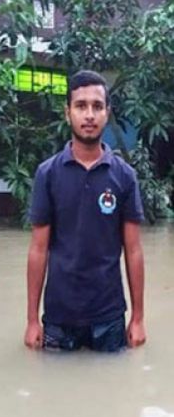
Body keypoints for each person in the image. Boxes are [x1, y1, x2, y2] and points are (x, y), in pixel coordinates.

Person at [24, 70, 146, 352]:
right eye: (81, 106)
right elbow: (38, 249)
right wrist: (32, 320)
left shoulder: (125, 177)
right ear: (68, 112)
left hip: (109, 318)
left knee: (112, 389)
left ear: (107, 112)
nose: (89, 114)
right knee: (54, 390)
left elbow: (134, 250)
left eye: (97, 106)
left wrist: (138, 318)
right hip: (58, 318)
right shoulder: (48, 174)